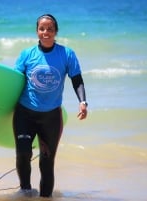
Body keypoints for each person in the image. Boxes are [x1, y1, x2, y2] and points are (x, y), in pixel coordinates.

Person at [13, 14, 88, 198]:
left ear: (56, 32)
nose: (46, 32)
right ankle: (25, 192)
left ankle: (45, 198)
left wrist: (83, 101)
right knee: (23, 153)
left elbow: (76, 79)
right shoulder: (27, 54)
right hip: (25, 113)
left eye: (50, 29)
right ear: (37, 31)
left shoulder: (66, 54)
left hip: (51, 117)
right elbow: (13, 83)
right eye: (42, 29)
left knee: (46, 162)